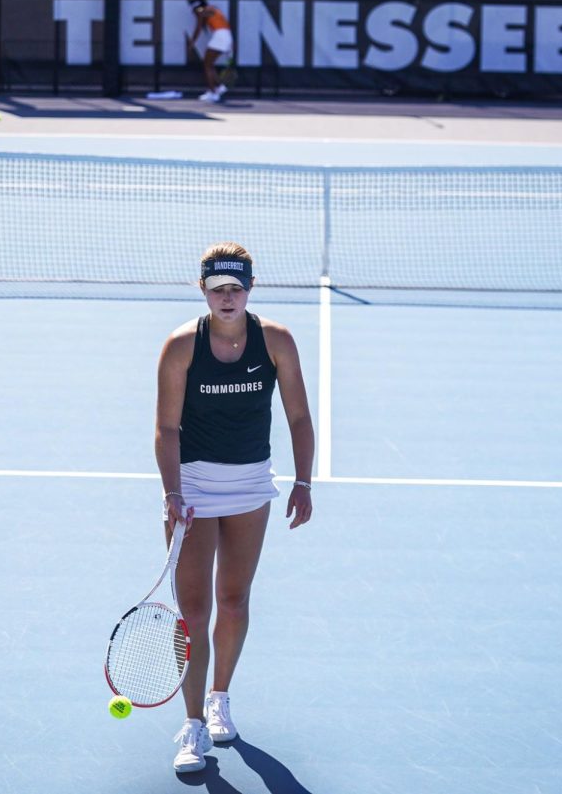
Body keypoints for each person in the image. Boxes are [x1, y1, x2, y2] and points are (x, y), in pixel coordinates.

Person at [155, 242, 315, 774]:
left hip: (250, 485)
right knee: (193, 612)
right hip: (195, 489)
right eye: (218, 289)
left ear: (250, 289)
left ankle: (220, 698)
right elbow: (167, 428)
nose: (228, 298)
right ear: (202, 289)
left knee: (235, 599)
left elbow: (297, 417)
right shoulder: (180, 347)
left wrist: (304, 481)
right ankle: (193, 724)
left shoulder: (276, 341)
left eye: (237, 288)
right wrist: (173, 492)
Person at [189, 0, 232, 103]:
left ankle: (213, 93)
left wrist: (192, 43)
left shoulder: (203, 11)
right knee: (209, 64)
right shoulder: (212, 9)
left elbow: (198, 28)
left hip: (220, 36)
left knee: (207, 64)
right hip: (226, 36)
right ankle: (218, 87)